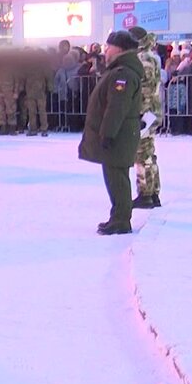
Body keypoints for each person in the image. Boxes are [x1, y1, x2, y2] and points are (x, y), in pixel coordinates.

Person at [78, 31, 143, 235]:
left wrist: (107, 133)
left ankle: (121, 220)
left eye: (109, 47)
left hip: (119, 134)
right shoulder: (120, 70)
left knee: (117, 177)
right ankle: (118, 216)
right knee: (115, 176)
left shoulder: (122, 73)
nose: (106, 50)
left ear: (120, 49)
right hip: (120, 133)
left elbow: (117, 107)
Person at [129, 27, 163, 209]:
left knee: (142, 155)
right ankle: (153, 191)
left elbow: (146, 89)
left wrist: (141, 113)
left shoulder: (143, 59)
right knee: (148, 153)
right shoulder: (148, 55)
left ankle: (146, 193)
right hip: (151, 110)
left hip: (146, 112)